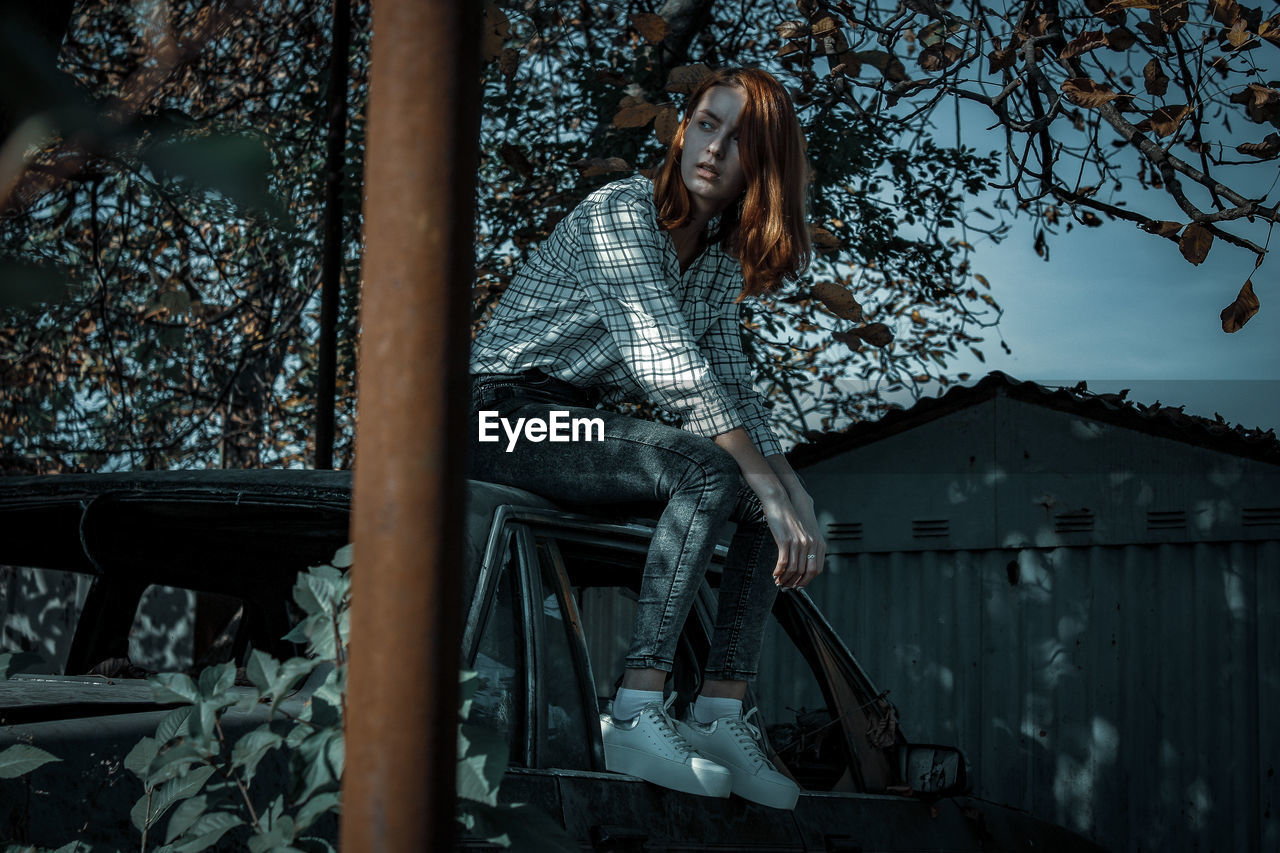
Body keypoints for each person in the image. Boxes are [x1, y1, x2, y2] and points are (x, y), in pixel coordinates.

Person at [467, 67, 826, 810]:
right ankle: (635, 707)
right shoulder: (620, 211)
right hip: (497, 414)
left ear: (764, 166)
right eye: (705, 125)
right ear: (680, 128)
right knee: (708, 473)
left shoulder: (716, 261)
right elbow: (666, 358)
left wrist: (793, 494)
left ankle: (721, 708)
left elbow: (730, 384)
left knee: (762, 501)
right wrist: (759, 479)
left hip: (572, 415)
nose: (714, 149)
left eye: (739, 141)